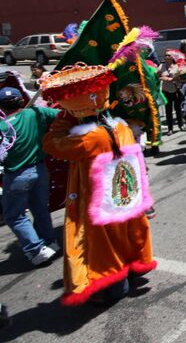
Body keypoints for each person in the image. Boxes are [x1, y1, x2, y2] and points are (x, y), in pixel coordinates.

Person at [40, 63, 155, 306]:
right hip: (125, 194)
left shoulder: (88, 138)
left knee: (105, 246)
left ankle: (115, 288)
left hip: (99, 200)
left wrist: (63, 119)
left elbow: (52, 144)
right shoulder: (121, 126)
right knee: (127, 234)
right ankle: (134, 272)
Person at [0, 87, 60, 266]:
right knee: (40, 208)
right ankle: (50, 242)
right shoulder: (35, 112)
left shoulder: (3, 126)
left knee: (15, 216)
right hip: (40, 171)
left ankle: (36, 248)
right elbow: (61, 115)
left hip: (16, 175)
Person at [158, 49, 186, 135]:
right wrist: (165, 78)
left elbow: (184, 78)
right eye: (166, 55)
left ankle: (181, 125)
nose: (167, 57)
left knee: (178, 109)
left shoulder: (177, 66)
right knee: (168, 110)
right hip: (166, 90)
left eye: (169, 55)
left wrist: (176, 78)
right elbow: (157, 75)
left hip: (176, 90)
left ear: (172, 57)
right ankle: (170, 128)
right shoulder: (161, 66)